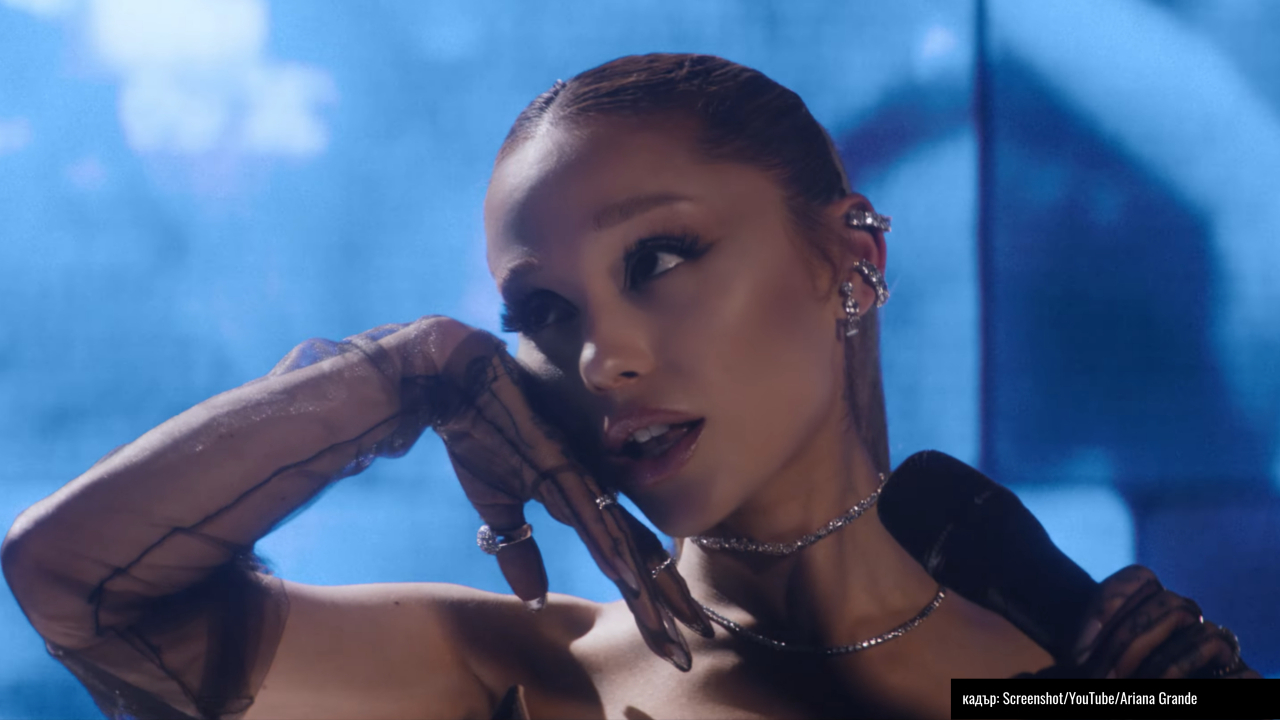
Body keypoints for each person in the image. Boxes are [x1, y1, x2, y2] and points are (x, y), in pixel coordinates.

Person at [1, 53, 1257, 720]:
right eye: (541, 316)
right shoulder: (527, 672)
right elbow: (79, 589)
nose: (600, 358)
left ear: (849, 259)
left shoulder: (1062, 661)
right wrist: (399, 376)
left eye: (658, 260)